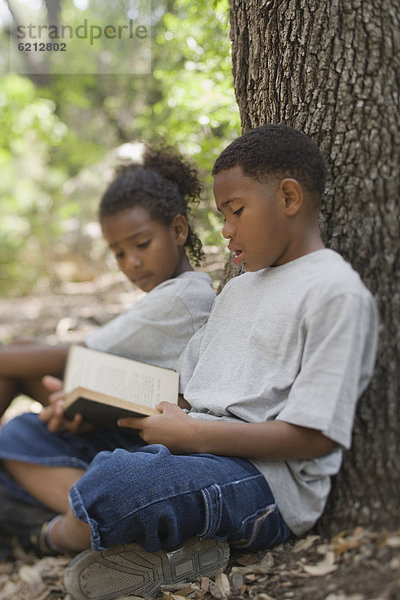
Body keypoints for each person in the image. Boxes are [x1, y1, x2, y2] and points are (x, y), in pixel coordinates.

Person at [0, 125, 378, 600]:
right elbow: (191, 393)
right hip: (191, 450)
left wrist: (194, 435)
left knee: (118, 480)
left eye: (236, 211)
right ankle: (164, 548)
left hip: (263, 480)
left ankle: (60, 534)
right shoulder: (239, 288)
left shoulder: (336, 294)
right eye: (223, 215)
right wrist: (97, 406)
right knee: (23, 434)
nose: (226, 230)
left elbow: (315, 435)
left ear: (288, 198)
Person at [0, 145, 215, 419]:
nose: (131, 263)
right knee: (20, 351)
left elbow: (77, 356)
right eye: (119, 253)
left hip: (157, 429)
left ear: (178, 230)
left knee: (16, 361)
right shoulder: (184, 291)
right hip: (131, 404)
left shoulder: (182, 297)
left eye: (142, 244)